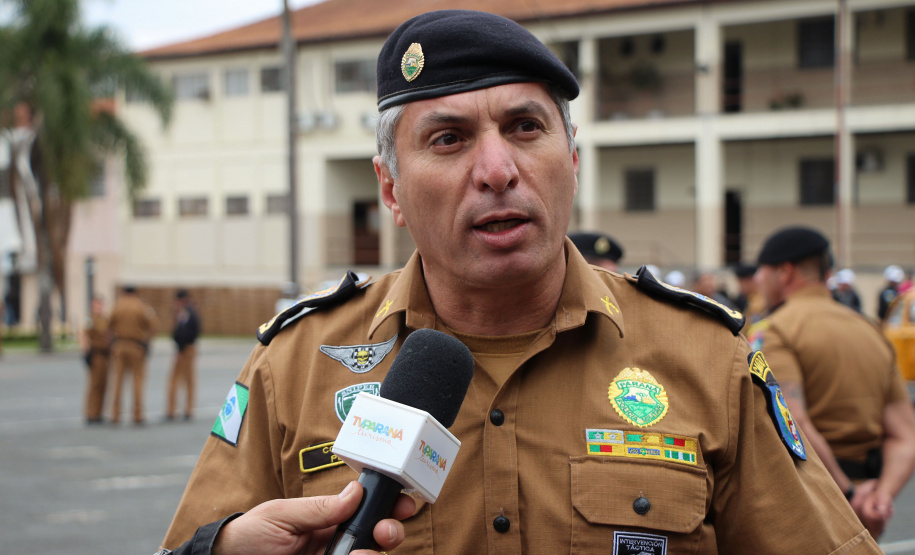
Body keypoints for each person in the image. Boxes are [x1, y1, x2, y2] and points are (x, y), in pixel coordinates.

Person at [158, 11, 881, 554]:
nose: (497, 168)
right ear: (389, 188)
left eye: (525, 127)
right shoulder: (294, 364)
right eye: (448, 138)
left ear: (571, 160)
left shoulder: (705, 357)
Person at [751, 226, 915, 539]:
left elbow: (792, 423)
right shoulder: (869, 330)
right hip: (865, 498)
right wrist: (879, 498)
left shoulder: (773, 331)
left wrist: (847, 495)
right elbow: (906, 435)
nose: (758, 280)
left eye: (762, 270)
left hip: (804, 497)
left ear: (784, 272)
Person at [109, 285, 157, 425]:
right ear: (136, 292)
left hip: (120, 346)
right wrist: (146, 339)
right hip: (136, 347)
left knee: (117, 381)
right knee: (137, 381)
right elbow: (153, 326)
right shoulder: (141, 306)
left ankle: (115, 414)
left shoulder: (117, 306)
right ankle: (137, 414)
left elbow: (108, 325)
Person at [166, 289, 201, 421]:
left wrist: (180, 349)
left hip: (185, 349)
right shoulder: (192, 310)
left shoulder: (185, 312)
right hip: (189, 347)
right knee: (189, 380)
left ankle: (172, 410)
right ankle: (188, 408)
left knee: (176, 380)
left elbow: (183, 332)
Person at [80, 295, 111, 424]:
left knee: (103, 384)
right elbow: (83, 335)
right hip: (96, 354)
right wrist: (85, 351)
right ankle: (91, 413)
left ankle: (98, 412)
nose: (99, 307)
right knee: (95, 385)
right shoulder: (90, 319)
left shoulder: (105, 319)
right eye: (96, 304)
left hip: (105, 355)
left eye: (100, 304)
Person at [732, 263, 764, 334]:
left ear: (749, 280)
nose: (739, 286)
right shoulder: (753, 300)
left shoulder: (757, 304)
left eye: (740, 282)